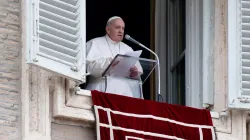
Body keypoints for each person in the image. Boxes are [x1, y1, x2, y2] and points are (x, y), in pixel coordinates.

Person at [85, 16, 143, 98]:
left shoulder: (128, 48)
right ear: (108, 30)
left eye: (123, 28)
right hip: (100, 91)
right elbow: (89, 69)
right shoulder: (94, 43)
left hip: (124, 94)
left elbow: (137, 77)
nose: (121, 31)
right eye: (117, 28)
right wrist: (109, 63)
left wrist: (134, 73)